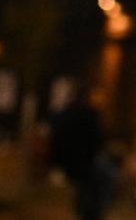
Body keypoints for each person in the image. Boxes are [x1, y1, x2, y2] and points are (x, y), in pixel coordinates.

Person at [48, 79, 114, 220]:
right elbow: (97, 141)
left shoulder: (65, 113)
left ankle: (90, 207)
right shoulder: (88, 115)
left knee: (98, 177)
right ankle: (97, 209)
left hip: (71, 161)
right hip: (83, 162)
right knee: (107, 174)